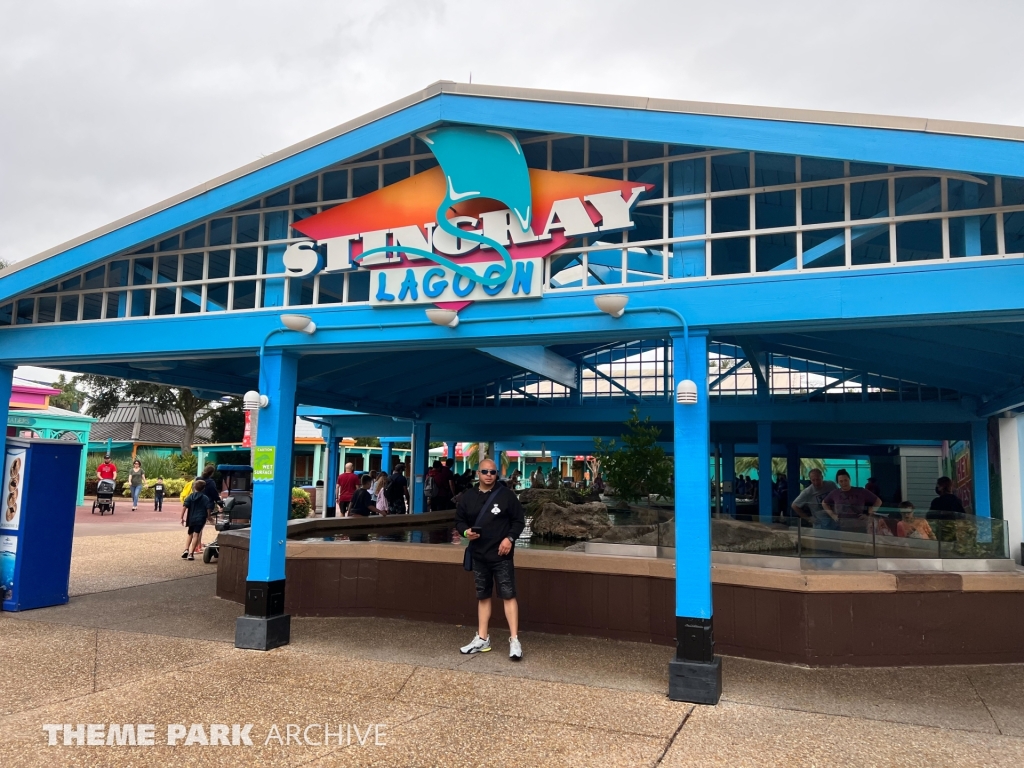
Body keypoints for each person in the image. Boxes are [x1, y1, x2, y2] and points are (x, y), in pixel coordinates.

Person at [456, 459, 526, 661]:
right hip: (479, 554)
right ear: (478, 473)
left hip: (501, 555)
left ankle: (514, 640)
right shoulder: (468, 496)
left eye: (493, 472)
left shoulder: (506, 496)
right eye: (485, 471)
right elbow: (459, 520)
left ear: (497, 474)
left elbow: (519, 521)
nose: (489, 475)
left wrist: (510, 538)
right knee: (483, 595)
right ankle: (482, 638)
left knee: (508, 594)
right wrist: (465, 532)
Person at [180, 479, 212, 560]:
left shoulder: (190, 496)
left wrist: (181, 517)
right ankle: (191, 554)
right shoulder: (205, 498)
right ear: (203, 488)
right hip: (201, 518)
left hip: (191, 518)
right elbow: (208, 508)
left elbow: (184, 507)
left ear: (194, 487)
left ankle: (186, 549)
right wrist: (208, 516)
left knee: (190, 533)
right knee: (196, 534)